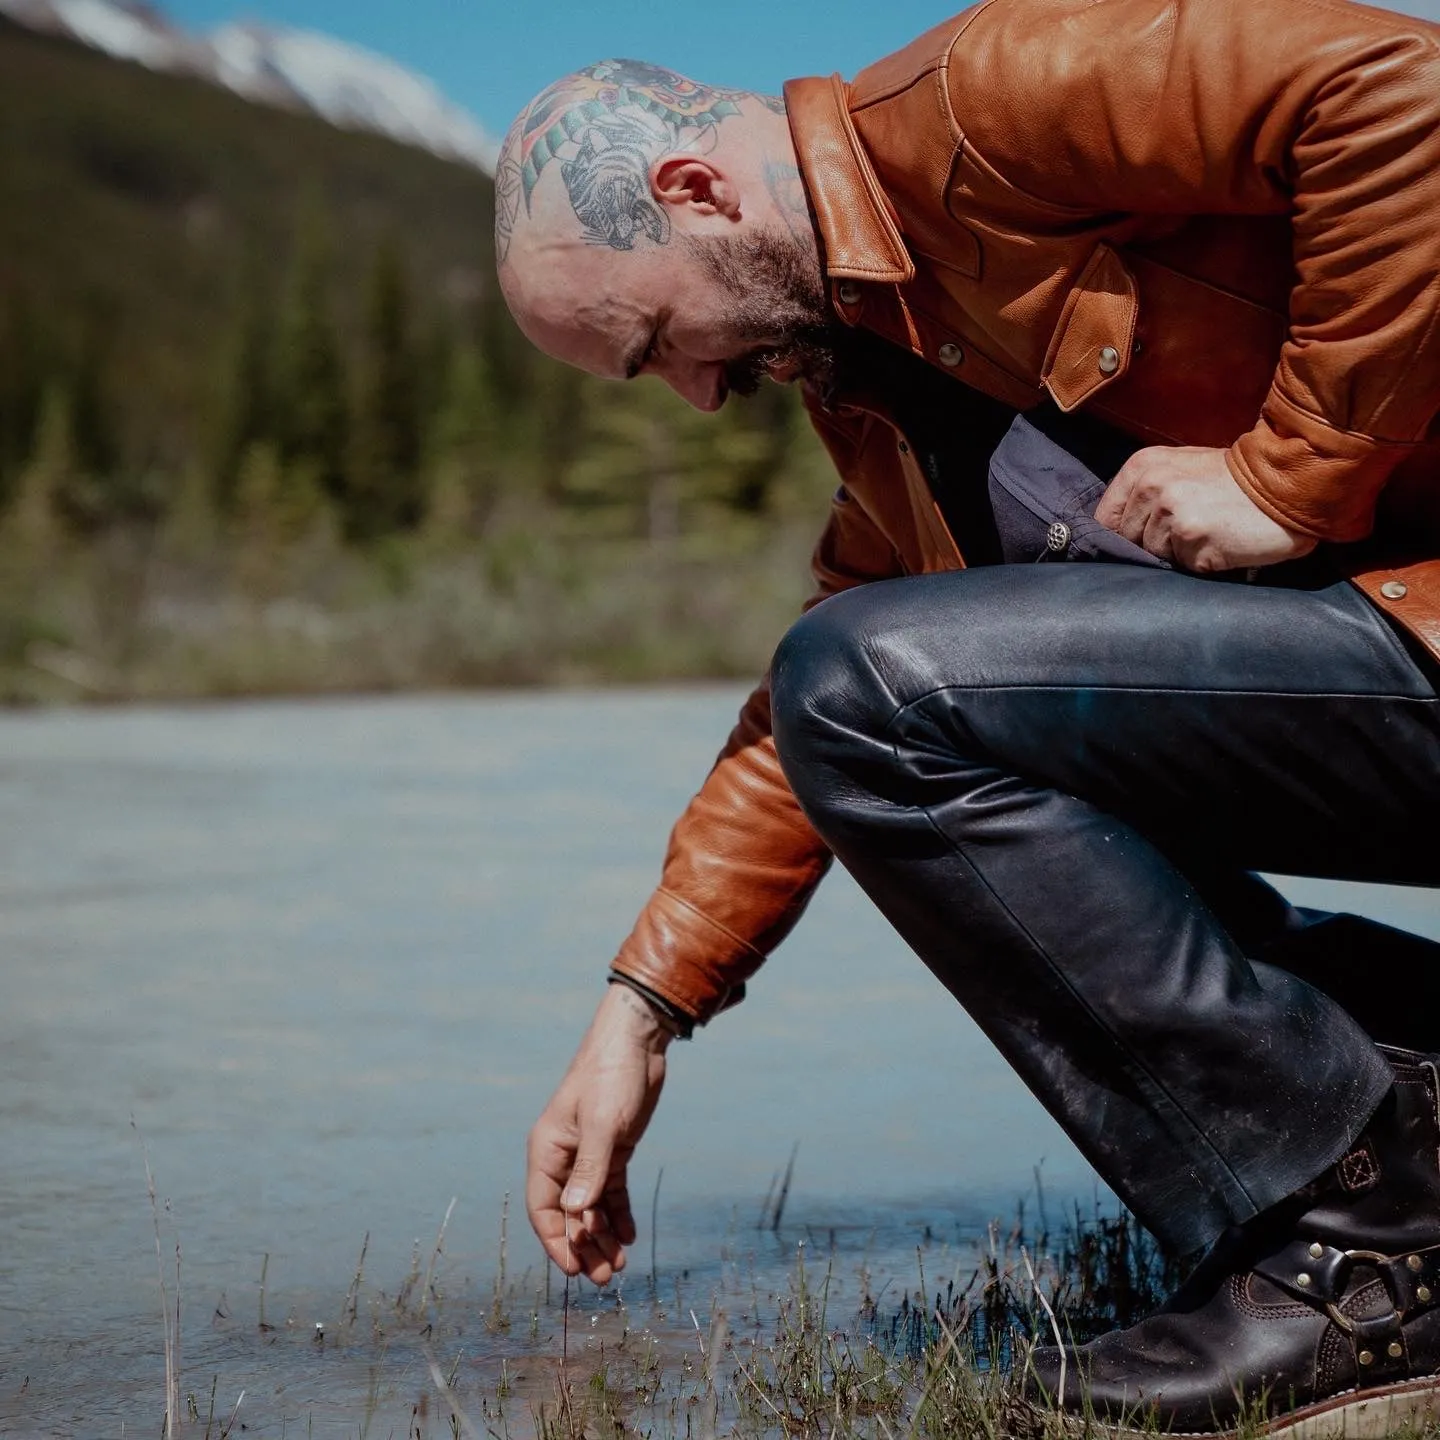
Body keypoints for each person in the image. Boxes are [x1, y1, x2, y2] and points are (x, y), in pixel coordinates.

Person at [495, 1, 1440, 1431]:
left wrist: (1288, 478)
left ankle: (1373, 1248)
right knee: (878, 689)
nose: (695, 398)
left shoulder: (981, 105)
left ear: (696, 193)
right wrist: (641, 1010)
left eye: (652, 344)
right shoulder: (876, 391)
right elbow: (814, 713)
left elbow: (1402, 96)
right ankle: (1407, 1105)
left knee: (871, 688)